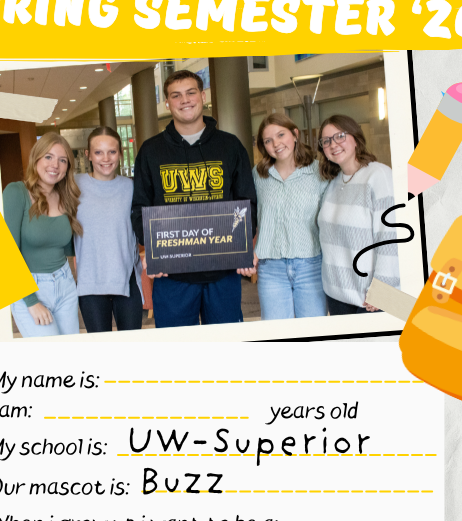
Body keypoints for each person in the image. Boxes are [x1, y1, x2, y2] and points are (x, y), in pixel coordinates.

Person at [131, 69, 257, 328]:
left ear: (203, 95)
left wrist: (243, 246)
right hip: (172, 275)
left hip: (223, 272)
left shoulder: (230, 145)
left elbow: (247, 200)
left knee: (226, 346)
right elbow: (140, 207)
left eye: (190, 92)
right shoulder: (151, 150)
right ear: (167, 103)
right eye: (175, 95)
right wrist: (151, 249)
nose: (184, 100)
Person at [316, 115, 399, 316]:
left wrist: (383, 290)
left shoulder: (378, 175)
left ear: (355, 138)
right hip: (335, 294)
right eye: (326, 141)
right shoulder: (332, 182)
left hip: (368, 297)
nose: (333, 144)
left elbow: (389, 236)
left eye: (339, 136)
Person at [4, 132, 82, 337]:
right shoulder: (16, 192)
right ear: (36, 159)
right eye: (48, 157)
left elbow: (66, 247)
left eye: (62, 160)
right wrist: (31, 301)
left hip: (65, 285)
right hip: (31, 287)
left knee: (70, 359)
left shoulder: (66, 196)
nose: (55, 164)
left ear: (67, 168)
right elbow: (7, 253)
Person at [253, 113, 329, 320]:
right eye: (268, 141)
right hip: (271, 268)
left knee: (315, 336)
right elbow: (250, 216)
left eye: (280, 135)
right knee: (277, 337)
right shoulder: (258, 175)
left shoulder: (319, 172)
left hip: (311, 265)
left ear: (295, 134)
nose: (275, 144)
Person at [74, 126, 144, 333]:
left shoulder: (131, 187)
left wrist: (152, 250)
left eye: (112, 151)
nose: (106, 158)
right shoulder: (73, 186)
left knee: (130, 348)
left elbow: (147, 222)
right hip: (91, 283)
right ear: (88, 155)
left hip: (126, 280)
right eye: (98, 152)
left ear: (120, 154)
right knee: (100, 350)